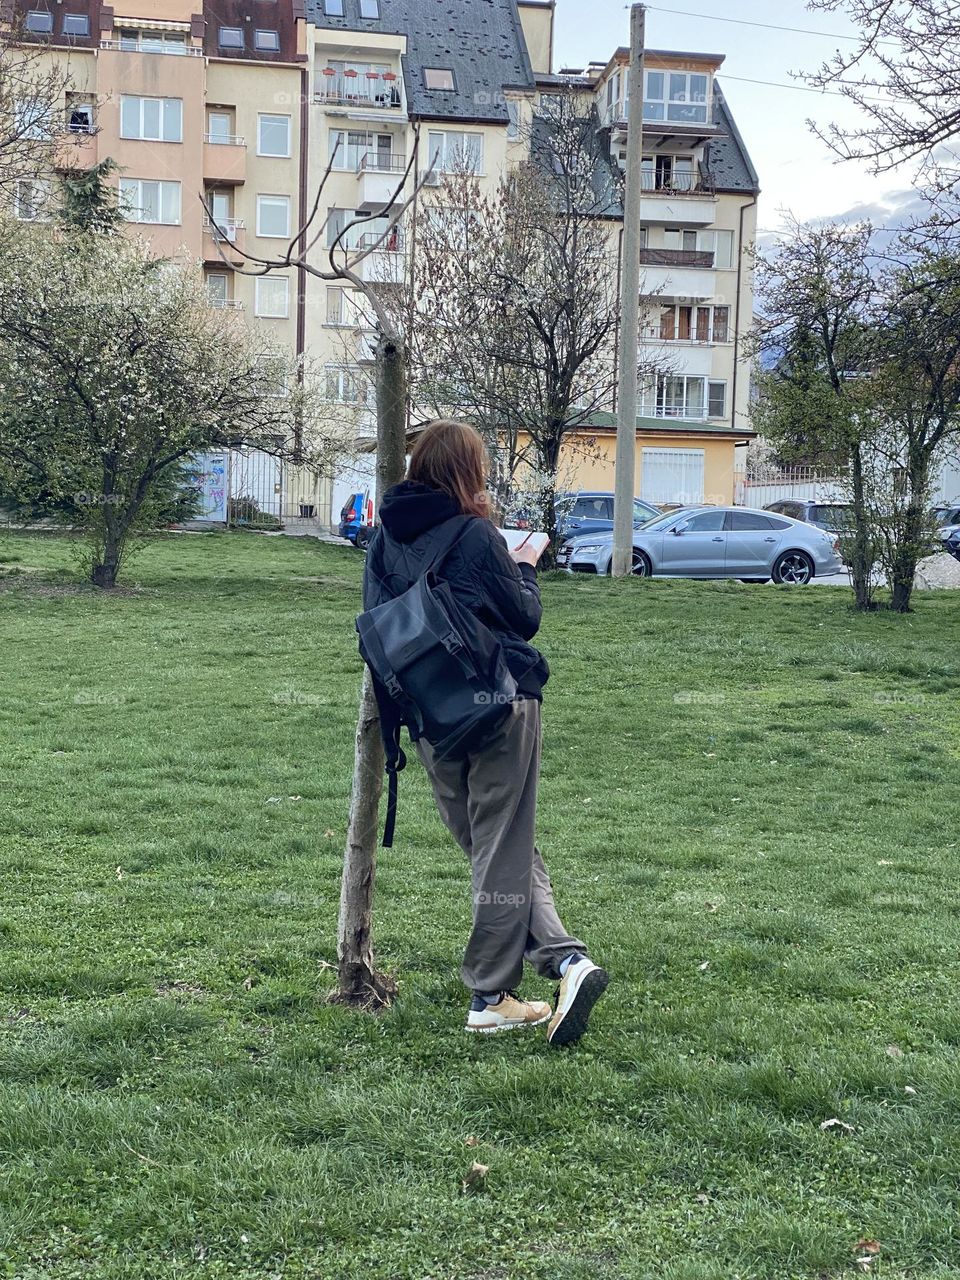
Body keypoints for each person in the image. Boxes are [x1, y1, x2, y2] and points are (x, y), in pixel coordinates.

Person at [362, 419, 608, 1045]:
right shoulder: (476, 535)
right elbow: (523, 619)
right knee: (501, 841)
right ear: (467, 472)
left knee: (495, 844)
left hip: (429, 717)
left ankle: (557, 965)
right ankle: (500, 990)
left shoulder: (382, 540)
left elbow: (377, 626)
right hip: (499, 703)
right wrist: (525, 563)